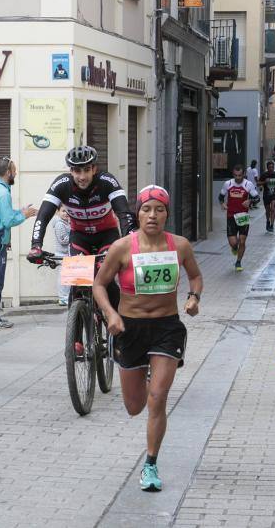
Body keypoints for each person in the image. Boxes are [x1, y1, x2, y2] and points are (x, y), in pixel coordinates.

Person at [92, 185, 203, 493]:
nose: (152, 215)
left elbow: (195, 275)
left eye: (159, 210)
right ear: (137, 213)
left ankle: (151, 465)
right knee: (134, 406)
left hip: (167, 328)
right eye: (146, 209)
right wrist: (111, 315)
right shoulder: (122, 247)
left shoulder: (179, 246)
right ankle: (143, 372)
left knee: (157, 398)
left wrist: (193, 297)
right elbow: (99, 285)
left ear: (167, 213)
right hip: (130, 329)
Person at [27, 145, 136, 310]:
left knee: (105, 278)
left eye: (86, 170)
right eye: (77, 171)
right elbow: (43, 215)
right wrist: (36, 245)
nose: (82, 176)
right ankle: (75, 327)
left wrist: (132, 240)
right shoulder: (61, 185)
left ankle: (116, 322)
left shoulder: (107, 182)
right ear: (71, 171)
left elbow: (124, 213)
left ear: (94, 169)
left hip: (107, 236)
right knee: (77, 282)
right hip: (79, 238)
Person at [0, 157, 38, 329]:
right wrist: (24, 215)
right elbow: (8, 220)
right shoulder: (2, 193)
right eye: (15, 171)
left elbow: (4, 215)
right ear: (8, 172)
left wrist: (20, 211)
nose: (16, 173)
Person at [219, 165, 260, 271]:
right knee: (233, 242)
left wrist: (250, 201)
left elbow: (257, 198)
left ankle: (238, 262)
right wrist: (222, 204)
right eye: (236, 175)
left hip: (243, 217)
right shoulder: (228, 184)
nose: (238, 178)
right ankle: (234, 248)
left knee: (242, 241)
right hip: (231, 216)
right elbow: (221, 196)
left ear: (244, 174)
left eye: (240, 175)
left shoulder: (248, 184)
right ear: (233, 174)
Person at [52, 205, 71, 306]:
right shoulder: (59, 224)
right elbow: (63, 240)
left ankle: (65, 297)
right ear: (58, 212)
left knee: (67, 276)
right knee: (64, 277)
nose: (66, 213)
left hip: (66, 254)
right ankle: (63, 298)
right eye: (63, 211)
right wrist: (74, 236)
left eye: (68, 211)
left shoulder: (66, 223)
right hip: (62, 255)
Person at [258, 160, 275, 233]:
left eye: (272, 167)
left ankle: (272, 225)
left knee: (273, 209)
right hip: (266, 194)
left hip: (274, 194)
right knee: (267, 210)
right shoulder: (264, 174)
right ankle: (268, 221)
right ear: (267, 168)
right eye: (270, 167)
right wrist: (264, 182)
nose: (271, 168)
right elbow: (258, 183)